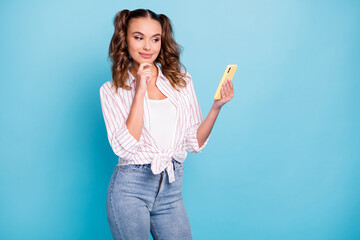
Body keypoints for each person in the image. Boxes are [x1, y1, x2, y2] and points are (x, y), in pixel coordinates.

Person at [99, 8, 234, 240]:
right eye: (138, 37)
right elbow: (124, 147)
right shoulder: (111, 90)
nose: (147, 47)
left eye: (155, 39)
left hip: (171, 189)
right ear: (125, 39)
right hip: (130, 188)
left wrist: (216, 107)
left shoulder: (180, 81)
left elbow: (193, 142)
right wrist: (140, 88)